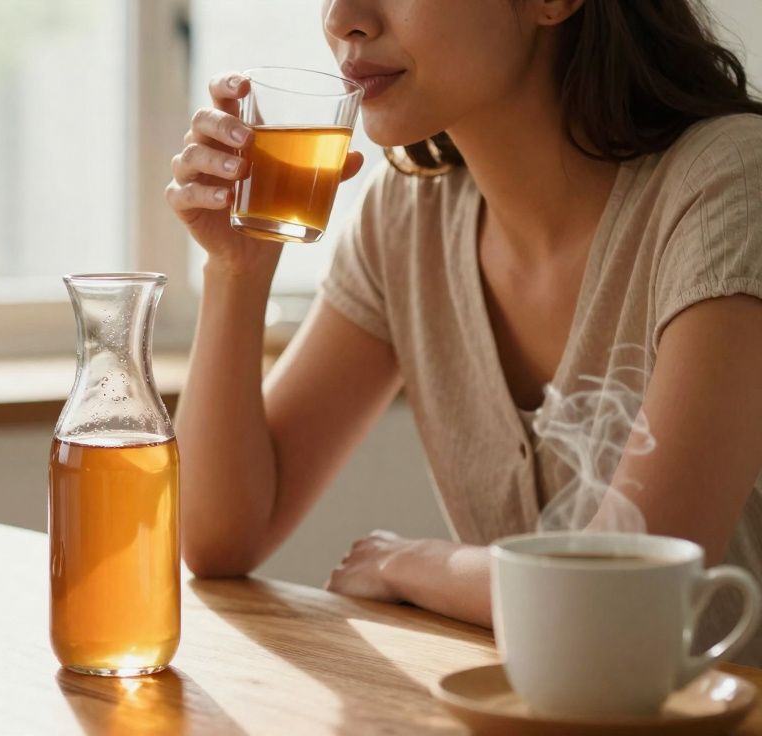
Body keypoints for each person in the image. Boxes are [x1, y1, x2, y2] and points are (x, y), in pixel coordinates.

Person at [168, 0, 762, 662]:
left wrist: (412, 565)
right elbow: (218, 539)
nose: (342, 18)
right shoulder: (409, 217)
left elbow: (627, 599)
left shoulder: (732, 186)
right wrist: (237, 270)